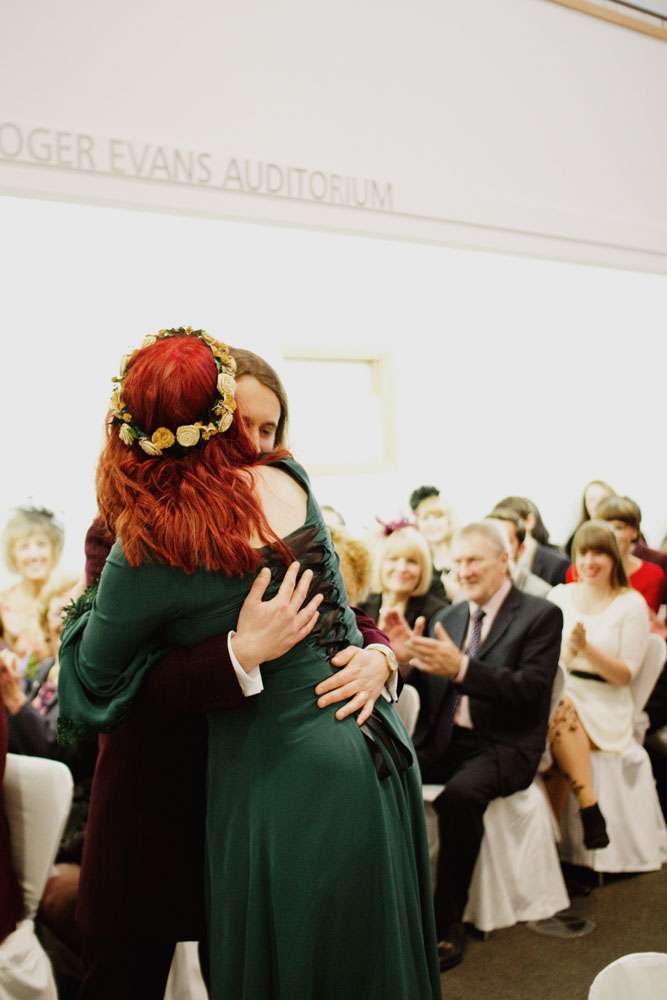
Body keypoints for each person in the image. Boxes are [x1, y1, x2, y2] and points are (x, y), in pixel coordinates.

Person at [59, 328, 439, 1000]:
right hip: (166, 794)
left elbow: (331, 605)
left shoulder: (278, 481)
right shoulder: (127, 527)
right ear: (210, 423)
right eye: (245, 428)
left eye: (272, 429)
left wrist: (379, 655)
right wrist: (238, 654)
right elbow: (125, 688)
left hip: (280, 773)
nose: (260, 445)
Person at [382, 521, 562, 971]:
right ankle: (388, 905)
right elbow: (426, 689)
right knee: (378, 772)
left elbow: (530, 691)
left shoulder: (540, 615)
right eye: (458, 562)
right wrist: (402, 663)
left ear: (503, 561)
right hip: (447, 741)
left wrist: (463, 668)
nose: (464, 571)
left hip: (505, 744)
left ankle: (447, 923)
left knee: (460, 798)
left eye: (474, 560)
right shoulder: (450, 617)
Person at [546, 521, 650, 847]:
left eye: (599, 554)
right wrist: (570, 650)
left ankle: (562, 831)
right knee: (556, 708)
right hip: (563, 686)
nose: (590, 562)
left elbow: (625, 675)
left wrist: (586, 648)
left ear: (613, 558)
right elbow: (550, 659)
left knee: (558, 711)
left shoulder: (631, 603)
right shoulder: (560, 596)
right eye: (583, 553)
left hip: (606, 700)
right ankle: (587, 808)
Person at [565, 496, 665, 615]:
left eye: (618, 527)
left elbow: (646, 620)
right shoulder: (579, 571)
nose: (611, 533)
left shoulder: (652, 575)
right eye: (603, 526)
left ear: (634, 531)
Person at [360, 524, 448, 643]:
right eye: (393, 559)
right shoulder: (361, 605)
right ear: (380, 564)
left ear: (423, 569)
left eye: (411, 561)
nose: (402, 568)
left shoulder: (437, 614)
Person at [0, 507, 64, 664]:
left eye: (41, 544)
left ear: (53, 549)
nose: (34, 555)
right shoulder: (3, 603)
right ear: (12, 554)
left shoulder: (69, 596)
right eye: (24, 546)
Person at [494, 496, 569, 586]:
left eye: (508, 521)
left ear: (529, 521)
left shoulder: (558, 565)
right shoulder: (495, 562)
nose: (502, 530)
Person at [487, 507, 551, 598]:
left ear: (521, 549)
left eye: (504, 543)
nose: (493, 550)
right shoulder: (470, 589)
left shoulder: (541, 594)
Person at [409, 485, 454, 602]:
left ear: (449, 519)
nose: (432, 523)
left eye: (438, 516)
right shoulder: (414, 560)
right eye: (425, 518)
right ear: (417, 523)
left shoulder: (462, 554)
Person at [564, 480, 616, 558]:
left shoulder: (621, 532)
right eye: (592, 500)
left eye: (603, 499)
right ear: (585, 504)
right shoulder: (575, 538)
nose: (597, 503)